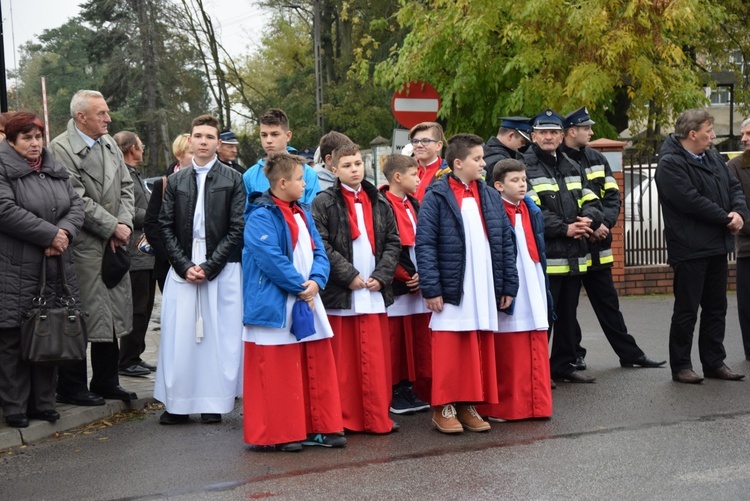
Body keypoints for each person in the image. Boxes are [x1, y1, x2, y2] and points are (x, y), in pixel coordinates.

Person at [242, 152, 346, 452]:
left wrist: (317, 280)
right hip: (276, 302)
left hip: (307, 296)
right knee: (280, 370)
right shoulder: (260, 215)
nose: (305, 183)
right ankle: (282, 431)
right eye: (300, 179)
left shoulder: (302, 211)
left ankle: (321, 427)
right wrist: (302, 286)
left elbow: (320, 251)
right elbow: (270, 258)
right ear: (283, 182)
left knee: (315, 363)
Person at [416, 133, 518, 434]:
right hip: (452, 285)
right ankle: (443, 406)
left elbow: (504, 241)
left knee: (477, 345)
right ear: (458, 163)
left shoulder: (488, 194)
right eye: (477, 159)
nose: (483, 163)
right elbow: (425, 244)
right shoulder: (436, 196)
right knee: (450, 347)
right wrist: (431, 288)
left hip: (483, 284)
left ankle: (468, 404)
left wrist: (507, 286)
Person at [155, 114, 245, 424]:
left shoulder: (233, 179)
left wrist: (209, 266)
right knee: (179, 336)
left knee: (218, 336)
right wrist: (183, 265)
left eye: (209, 136)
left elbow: (237, 227)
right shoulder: (177, 181)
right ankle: (177, 405)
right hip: (183, 263)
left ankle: (214, 402)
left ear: (218, 143)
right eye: (198, 136)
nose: (203, 141)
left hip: (220, 264)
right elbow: (164, 226)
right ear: (190, 140)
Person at [49, 89, 137, 406]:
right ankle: (71, 386)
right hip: (84, 247)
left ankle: (106, 380)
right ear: (80, 117)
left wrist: (123, 225)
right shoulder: (60, 148)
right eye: (101, 113)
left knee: (110, 315)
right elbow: (75, 198)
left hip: (113, 245)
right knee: (80, 315)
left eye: (107, 111)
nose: (108, 118)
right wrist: (113, 226)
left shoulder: (110, 144)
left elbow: (127, 188)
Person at [561, 107, 665, 370]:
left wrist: (604, 223)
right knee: (567, 309)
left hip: (597, 246)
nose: (592, 132)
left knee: (609, 306)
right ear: (572, 131)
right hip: (572, 247)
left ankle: (631, 355)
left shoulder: (597, 158)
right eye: (586, 128)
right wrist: (590, 225)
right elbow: (564, 206)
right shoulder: (556, 159)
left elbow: (612, 195)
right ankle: (575, 355)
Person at [0, 112, 85, 427]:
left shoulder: (54, 166)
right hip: (14, 267)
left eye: (38, 137)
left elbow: (76, 205)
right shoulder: (2, 168)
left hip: (54, 266)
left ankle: (43, 403)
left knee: (49, 330)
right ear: (11, 141)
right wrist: (49, 234)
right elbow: (4, 210)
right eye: (27, 138)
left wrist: (63, 234)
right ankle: (14, 407)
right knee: (13, 339)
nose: (35, 143)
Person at [312, 143, 401, 434]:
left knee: (375, 359)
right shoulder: (324, 201)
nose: (355, 170)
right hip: (343, 292)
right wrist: (348, 275)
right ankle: (343, 418)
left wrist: (383, 274)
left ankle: (375, 417)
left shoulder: (380, 200)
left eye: (358, 164)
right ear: (334, 169)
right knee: (344, 360)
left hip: (373, 289)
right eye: (347, 165)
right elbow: (321, 244)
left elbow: (392, 241)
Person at [655, 108, 747, 384]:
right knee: (687, 309)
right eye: (709, 132)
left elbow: (734, 188)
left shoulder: (714, 157)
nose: (713, 136)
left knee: (717, 308)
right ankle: (681, 365)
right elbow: (689, 200)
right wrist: (725, 218)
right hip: (690, 247)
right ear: (692, 134)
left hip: (717, 245)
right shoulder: (670, 163)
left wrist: (739, 212)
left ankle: (714, 362)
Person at [523, 109, 602, 384]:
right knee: (543, 318)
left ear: (561, 135)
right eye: (543, 132)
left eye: (553, 132)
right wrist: (566, 228)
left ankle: (563, 365)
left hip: (574, 256)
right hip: (546, 258)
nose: (548, 137)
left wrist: (588, 218)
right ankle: (535, 372)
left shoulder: (570, 163)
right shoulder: (525, 166)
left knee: (569, 315)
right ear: (533, 136)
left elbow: (592, 197)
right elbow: (532, 210)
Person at [475, 158, 552, 421]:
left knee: (535, 333)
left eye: (524, 179)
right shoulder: (493, 212)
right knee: (509, 344)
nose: (522, 185)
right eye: (515, 180)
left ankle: (536, 405)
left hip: (533, 275)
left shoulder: (531, 209)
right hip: (511, 277)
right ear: (498, 185)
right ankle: (507, 407)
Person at [379, 154, 432, 415]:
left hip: (417, 282)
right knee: (395, 341)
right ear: (397, 177)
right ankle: (395, 389)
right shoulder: (383, 204)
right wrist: (404, 275)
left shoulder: (413, 203)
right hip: (398, 283)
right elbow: (385, 246)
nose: (419, 179)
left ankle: (412, 386)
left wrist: (425, 274)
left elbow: (421, 240)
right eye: (414, 174)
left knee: (416, 339)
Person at [113, 131, 157, 378]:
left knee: (145, 306)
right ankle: (127, 359)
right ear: (131, 149)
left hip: (146, 252)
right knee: (137, 308)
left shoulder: (135, 175)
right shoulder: (124, 176)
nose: (143, 150)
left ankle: (135, 356)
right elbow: (128, 210)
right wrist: (155, 215)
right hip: (135, 251)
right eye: (141, 146)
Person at [243, 108, 321, 204]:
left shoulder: (308, 174)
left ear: (288, 136)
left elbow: (313, 214)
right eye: (264, 135)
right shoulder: (249, 176)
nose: (268, 140)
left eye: (274, 134)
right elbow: (247, 214)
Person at [728, 118, 750, 361]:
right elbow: (735, 206)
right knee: (747, 306)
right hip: (747, 248)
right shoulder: (734, 167)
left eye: (748, 134)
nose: (743, 138)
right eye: (743, 134)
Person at [482, 116, 532, 181]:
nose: (523, 145)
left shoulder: (485, 151)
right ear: (510, 136)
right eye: (522, 142)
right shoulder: (501, 162)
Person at [408, 122, 448, 201]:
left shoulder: (449, 173)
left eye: (425, 141)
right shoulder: (404, 171)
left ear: (439, 145)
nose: (419, 145)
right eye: (415, 141)